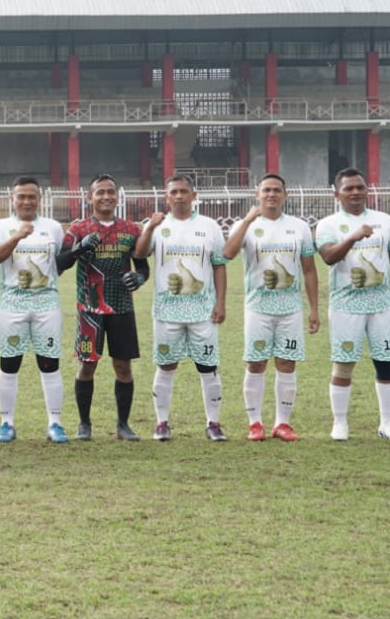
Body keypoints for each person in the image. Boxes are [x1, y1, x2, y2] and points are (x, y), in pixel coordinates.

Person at [315, 168, 390, 440]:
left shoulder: (386, 222)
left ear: (367, 190)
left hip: (382, 305)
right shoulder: (328, 225)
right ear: (337, 194)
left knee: (386, 362)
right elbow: (328, 258)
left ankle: (388, 424)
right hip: (345, 305)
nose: (356, 192)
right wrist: (352, 237)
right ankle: (340, 424)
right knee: (344, 364)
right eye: (349, 188)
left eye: (360, 187)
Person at [222, 173, 319, 441]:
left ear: (285, 195)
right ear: (257, 194)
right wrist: (249, 220)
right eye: (266, 190)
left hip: (291, 309)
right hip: (257, 308)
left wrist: (314, 309)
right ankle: (255, 423)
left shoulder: (299, 227)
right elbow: (228, 253)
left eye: (277, 190)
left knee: (286, 363)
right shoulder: (246, 225)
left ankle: (282, 424)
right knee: (255, 363)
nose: (271, 195)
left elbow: (309, 270)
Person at [135, 175, 229, 441]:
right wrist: (150, 228)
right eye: (173, 192)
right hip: (167, 311)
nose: (179, 196)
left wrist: (221, 303)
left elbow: (219, 266)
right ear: (166, 197)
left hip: (203, 311)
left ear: (194, 195)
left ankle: (213, 423)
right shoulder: (158, 225)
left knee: (208, 366)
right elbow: (140, 255)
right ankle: (162, 423)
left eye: (183, 191)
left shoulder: (209, 226)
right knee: (166, 366)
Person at [58, 174, 149, 441]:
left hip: (121, 308)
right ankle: (84, 424)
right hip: (90, 311)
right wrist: (79, 249)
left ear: (117, 196)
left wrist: (140, 278)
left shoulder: (132, 230)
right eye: (100, 192)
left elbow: (142, 265)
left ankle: (123, 425)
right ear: (90, 197)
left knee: (123, 367)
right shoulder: (78, 230)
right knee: (87, 366)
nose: (106, 196)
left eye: (110, 191)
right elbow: (60, 263)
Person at [0, 176, 69, 443]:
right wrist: (18, 235)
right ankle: (6, 423)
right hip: (13, 305)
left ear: (39, 200)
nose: (26, 201)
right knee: (9, 364)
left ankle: (55, 423)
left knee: (50, 363)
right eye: (21, 196)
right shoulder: (1, 226)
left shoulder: (53, 227)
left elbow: (59, 263)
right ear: (12, 199)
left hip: (47, 305)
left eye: (31, 196)